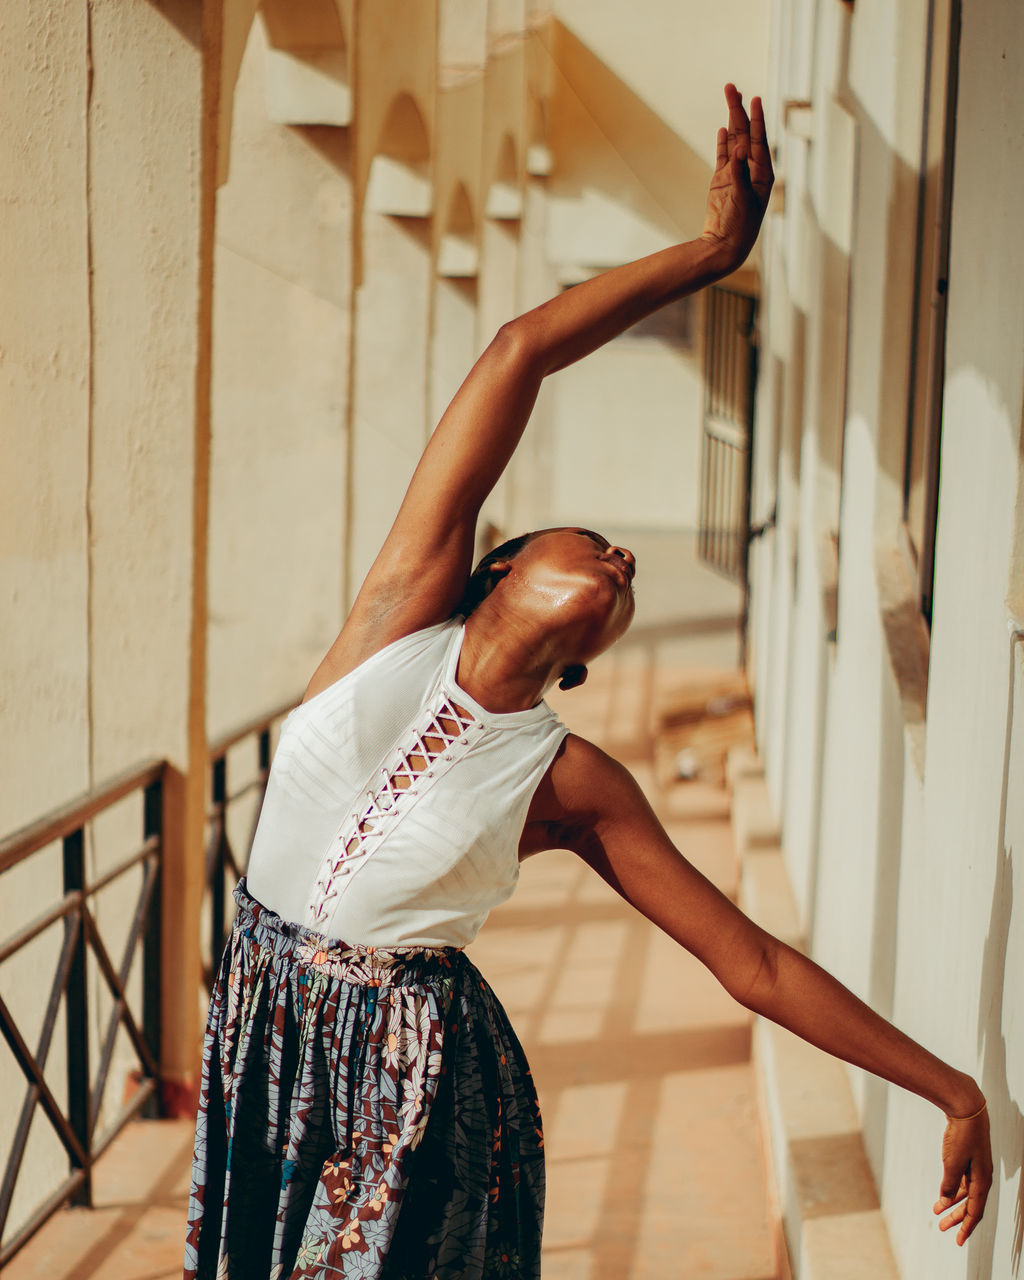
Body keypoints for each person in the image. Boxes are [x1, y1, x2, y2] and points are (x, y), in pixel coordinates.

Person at [183, 85, 992, 1279]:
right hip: (266, 1028)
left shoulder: (569, 778)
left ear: (588, 656)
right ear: (499, 561)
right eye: (592, 538)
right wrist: (713, 252)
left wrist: (948, 1084)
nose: (619, 559)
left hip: (412, 1093)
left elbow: (751, 961)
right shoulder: (397, 612)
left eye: (627, 577)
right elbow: (521, 348)